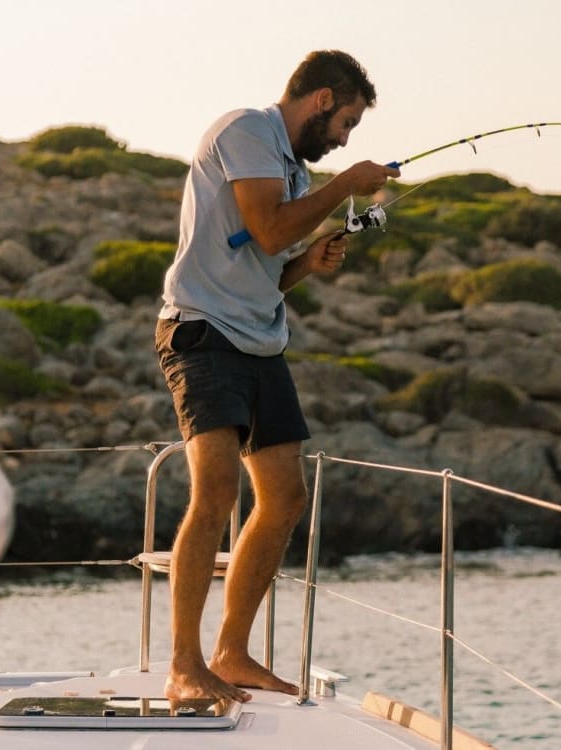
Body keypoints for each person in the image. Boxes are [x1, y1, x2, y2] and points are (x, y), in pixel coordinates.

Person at [154, 50, 400, 705]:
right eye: (346, 121)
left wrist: (307, 266)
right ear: (321, 100)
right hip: (202, 331)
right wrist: (346, 184)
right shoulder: (246, 132)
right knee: (215, 491)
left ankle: (231, 652)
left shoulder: (289, 168)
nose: (346, 138)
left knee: (285, 497)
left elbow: (272, 264)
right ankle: (185, 663)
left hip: (260, 340)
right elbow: (266, 232)